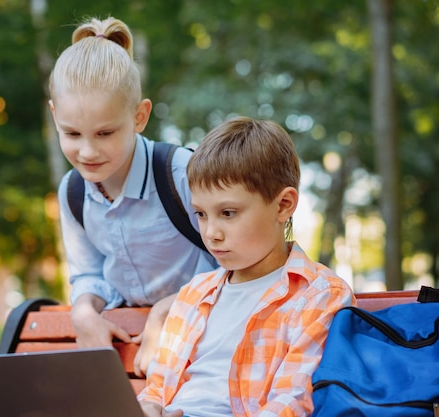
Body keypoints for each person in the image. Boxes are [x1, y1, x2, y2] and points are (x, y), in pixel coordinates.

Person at [138, 116, 356, 417]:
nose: (211, 232)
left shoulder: (318, 296)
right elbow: (157, 390)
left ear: (283, 205)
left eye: (227, 213)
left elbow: (294, 400)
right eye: (201, 214)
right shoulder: (193, 295)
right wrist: (148, 407)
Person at [48, 16, 217, 376]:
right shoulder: (73, 191)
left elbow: (233, 264)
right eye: (72, 133)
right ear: (54, 115)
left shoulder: (180, 174)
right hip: (135, 355)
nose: (88, 151)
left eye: (105, 133)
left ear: (140, 116)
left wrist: (168, 309)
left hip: (207, 345)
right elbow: (89, 275)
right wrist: (83, 311)